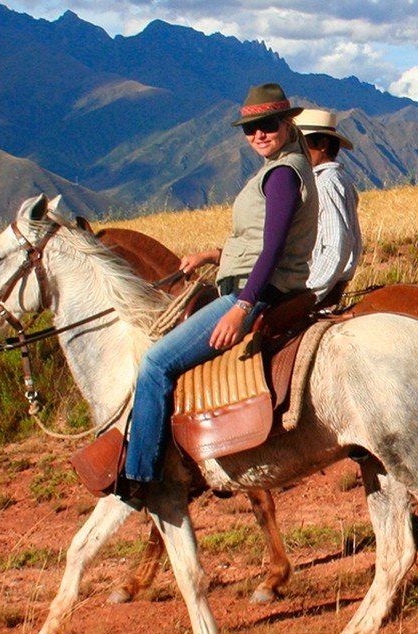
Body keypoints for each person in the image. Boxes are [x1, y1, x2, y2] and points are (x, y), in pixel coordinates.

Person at [114, 83, 318, 502]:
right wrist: (213, 254)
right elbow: (260, 240)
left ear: (286, 122)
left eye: (266, 125)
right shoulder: (285, 165)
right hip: (256, 283)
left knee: (155, 363)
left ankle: (141, 477)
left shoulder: (281, 174)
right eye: (249, 128)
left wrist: (241, 306)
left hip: (257, 292)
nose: (258, 134)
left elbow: (274, 248)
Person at [294, 108, 363, 305]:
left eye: (302, 145)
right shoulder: (336, 179)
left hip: (319, 286)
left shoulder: (325, 183)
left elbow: (338, 242)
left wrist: (310, 292)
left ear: (322, 145)